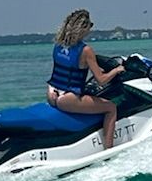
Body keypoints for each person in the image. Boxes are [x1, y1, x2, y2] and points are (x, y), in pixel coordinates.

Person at [46, 9, 124, 150]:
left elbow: (69, 68)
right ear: (82, 28)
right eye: (90, 25)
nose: (91, 28)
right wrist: (116, 70)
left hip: (52, 93)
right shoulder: (86, 50)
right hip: (68, 98)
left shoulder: (58, 45)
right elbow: (101, 80)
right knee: (111, 108)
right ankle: (109, 149)